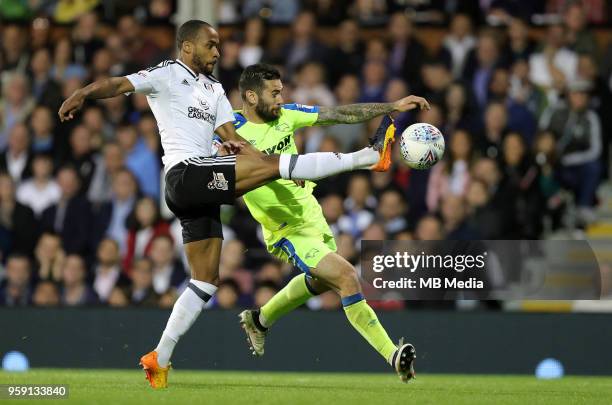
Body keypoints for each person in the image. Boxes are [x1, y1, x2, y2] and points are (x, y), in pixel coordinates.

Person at [57, 20, 428, 389]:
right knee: (336, 262)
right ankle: (368, 156)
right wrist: (84, 93)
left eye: (218, 46)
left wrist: (278, 168)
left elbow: (236, 143)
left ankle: (160, 357)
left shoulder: (217, 91)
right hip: (185, 174)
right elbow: (121, 84)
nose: (217, 52)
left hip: (202, 192)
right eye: (210, 45)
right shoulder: (168, 73)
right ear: (187, 47)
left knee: (205, 281)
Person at [230, 63, 429, 383]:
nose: (282, 98)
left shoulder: (286, 115)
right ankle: (393, 354)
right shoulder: (230, 131)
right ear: (251, 97)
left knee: (324, 281)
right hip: (286, 230)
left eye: (282, 91)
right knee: (348, 277)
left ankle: (260, 319)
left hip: (311, 213)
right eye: (275, 93)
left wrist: (390, 106)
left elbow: (339, 114)